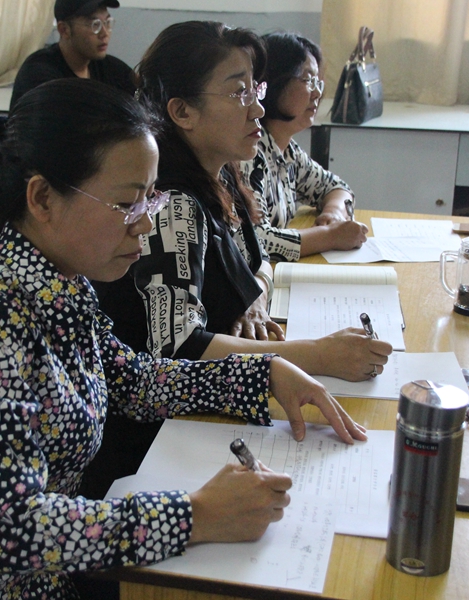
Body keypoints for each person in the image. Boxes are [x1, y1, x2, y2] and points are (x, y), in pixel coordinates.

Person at [0, 79, 368, 600]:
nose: (145, 224)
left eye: (151, 197)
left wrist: (262, 375)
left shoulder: (62, 282)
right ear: (42, 198)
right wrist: (194, 515)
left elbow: (133, 380)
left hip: (45, 579)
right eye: (126, 202)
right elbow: (6, 529)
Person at [89, 21, 391, 498]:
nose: (257, 107)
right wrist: (317, 354)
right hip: (158, 443)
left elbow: (259, 257)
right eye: (238, 92)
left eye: (256, 88)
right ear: (182, 111)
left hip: (203, 408)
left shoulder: (220, 175)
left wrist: (254, 298)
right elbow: (178, 350)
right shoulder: (172, 203)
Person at [240, 31, 368, 262]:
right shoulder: (248, 153)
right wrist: (330, 236)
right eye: (308, 80)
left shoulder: (287, 151)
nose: (317, 92)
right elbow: (254, 241)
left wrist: (333, 213)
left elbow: (336, 187)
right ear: (275, 82)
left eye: (318, 81)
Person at [9, 0, 134, 110]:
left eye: (107, 22)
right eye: (95, 24)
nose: (104, 33)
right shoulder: (38, 73)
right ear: (64, 30)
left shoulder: (110, 68)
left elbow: (139, 90)